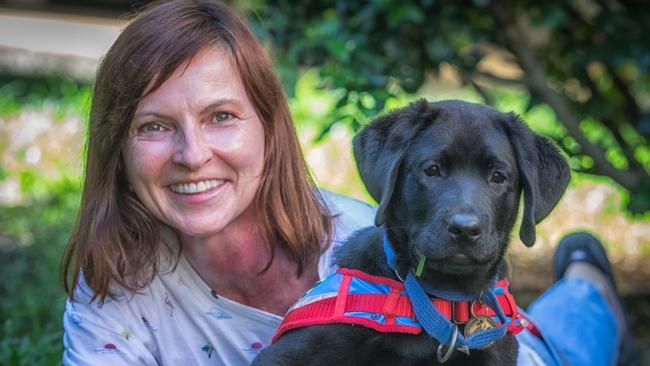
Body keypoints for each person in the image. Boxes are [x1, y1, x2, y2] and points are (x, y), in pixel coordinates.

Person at [61, 1, 637, 365]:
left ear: (270, 126)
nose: (193, 155)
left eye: (221, 117)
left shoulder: (359, 235)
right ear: (118, 146)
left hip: (528, 349)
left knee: (573, 328)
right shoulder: (114, 298)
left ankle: (589, 278)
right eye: (155, 126)